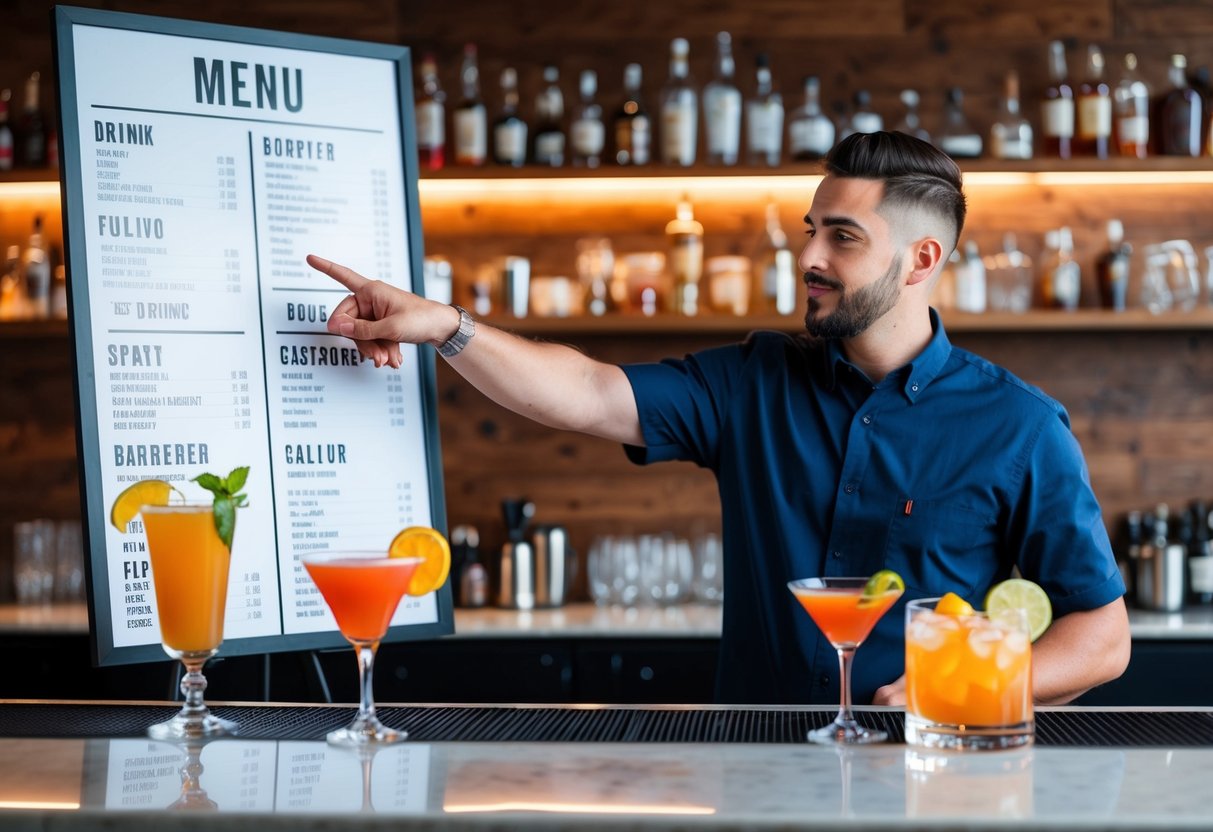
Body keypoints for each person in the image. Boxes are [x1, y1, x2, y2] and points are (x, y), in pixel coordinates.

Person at [307, 130, 1130, 706]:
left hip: (929, 777)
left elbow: (1101, 638)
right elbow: (588, 393)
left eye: (842, 238)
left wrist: (962, 686)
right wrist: (446, 326)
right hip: (756, 770)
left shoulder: (1019, 427)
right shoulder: (755, 380)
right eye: (811, 231)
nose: (808, 257)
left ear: (922, 260)